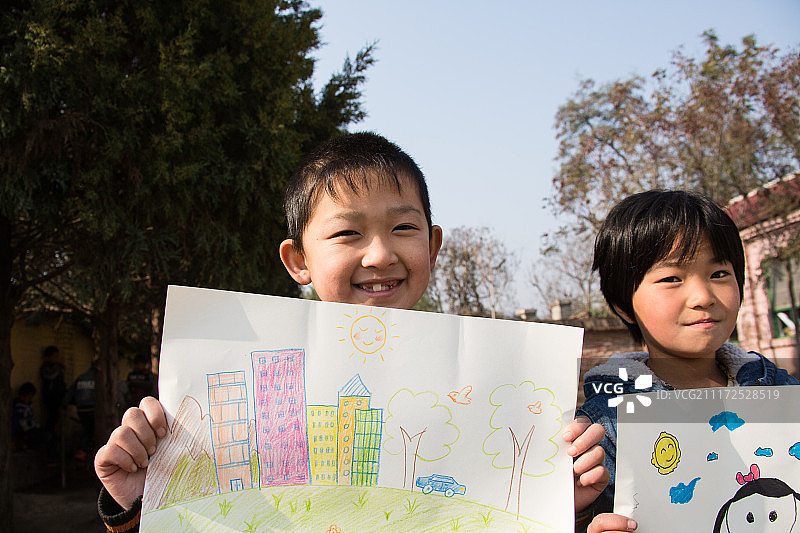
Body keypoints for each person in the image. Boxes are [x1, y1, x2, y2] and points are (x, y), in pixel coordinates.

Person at [94, 132, 607, 531]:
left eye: (403, 228)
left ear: (433, 245)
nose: (380, 254)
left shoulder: (503, 383)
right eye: (346, 233)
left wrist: (560, 507)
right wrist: (145, 501)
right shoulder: (249, 390)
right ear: (298, 260)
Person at [578, 190, 799, 533]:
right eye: (671, 279)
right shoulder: (602, 430)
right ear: (624, 306)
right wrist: (581, 521)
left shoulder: (781, 390)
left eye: (719, 274)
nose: (703, 297)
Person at [63, 361, 97, 461]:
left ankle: (83, 451)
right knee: (90, 431)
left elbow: (70, 392)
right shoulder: (99, 378)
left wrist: (64, 405)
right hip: (93, 409)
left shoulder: (81, 377)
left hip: (81, 410)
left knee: (87, 430)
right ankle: (84, 451)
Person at [39, 345, 66, 458]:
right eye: (54, 357)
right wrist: (58, 368)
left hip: (58, 400)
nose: (56, 359)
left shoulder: (57, 368)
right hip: (51, 400)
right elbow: (50, 377)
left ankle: (54, 451)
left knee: (55, 425)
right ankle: (49, 449)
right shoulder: (47, 368)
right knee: (50, 424)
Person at [12, 382, 42, 450]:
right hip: (23, 430)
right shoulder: (18, 407)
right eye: (30, 397)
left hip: (31, 428)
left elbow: (32, 418)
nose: (30, 399)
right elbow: (15, 422)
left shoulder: (29, 406)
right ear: (23, 396)